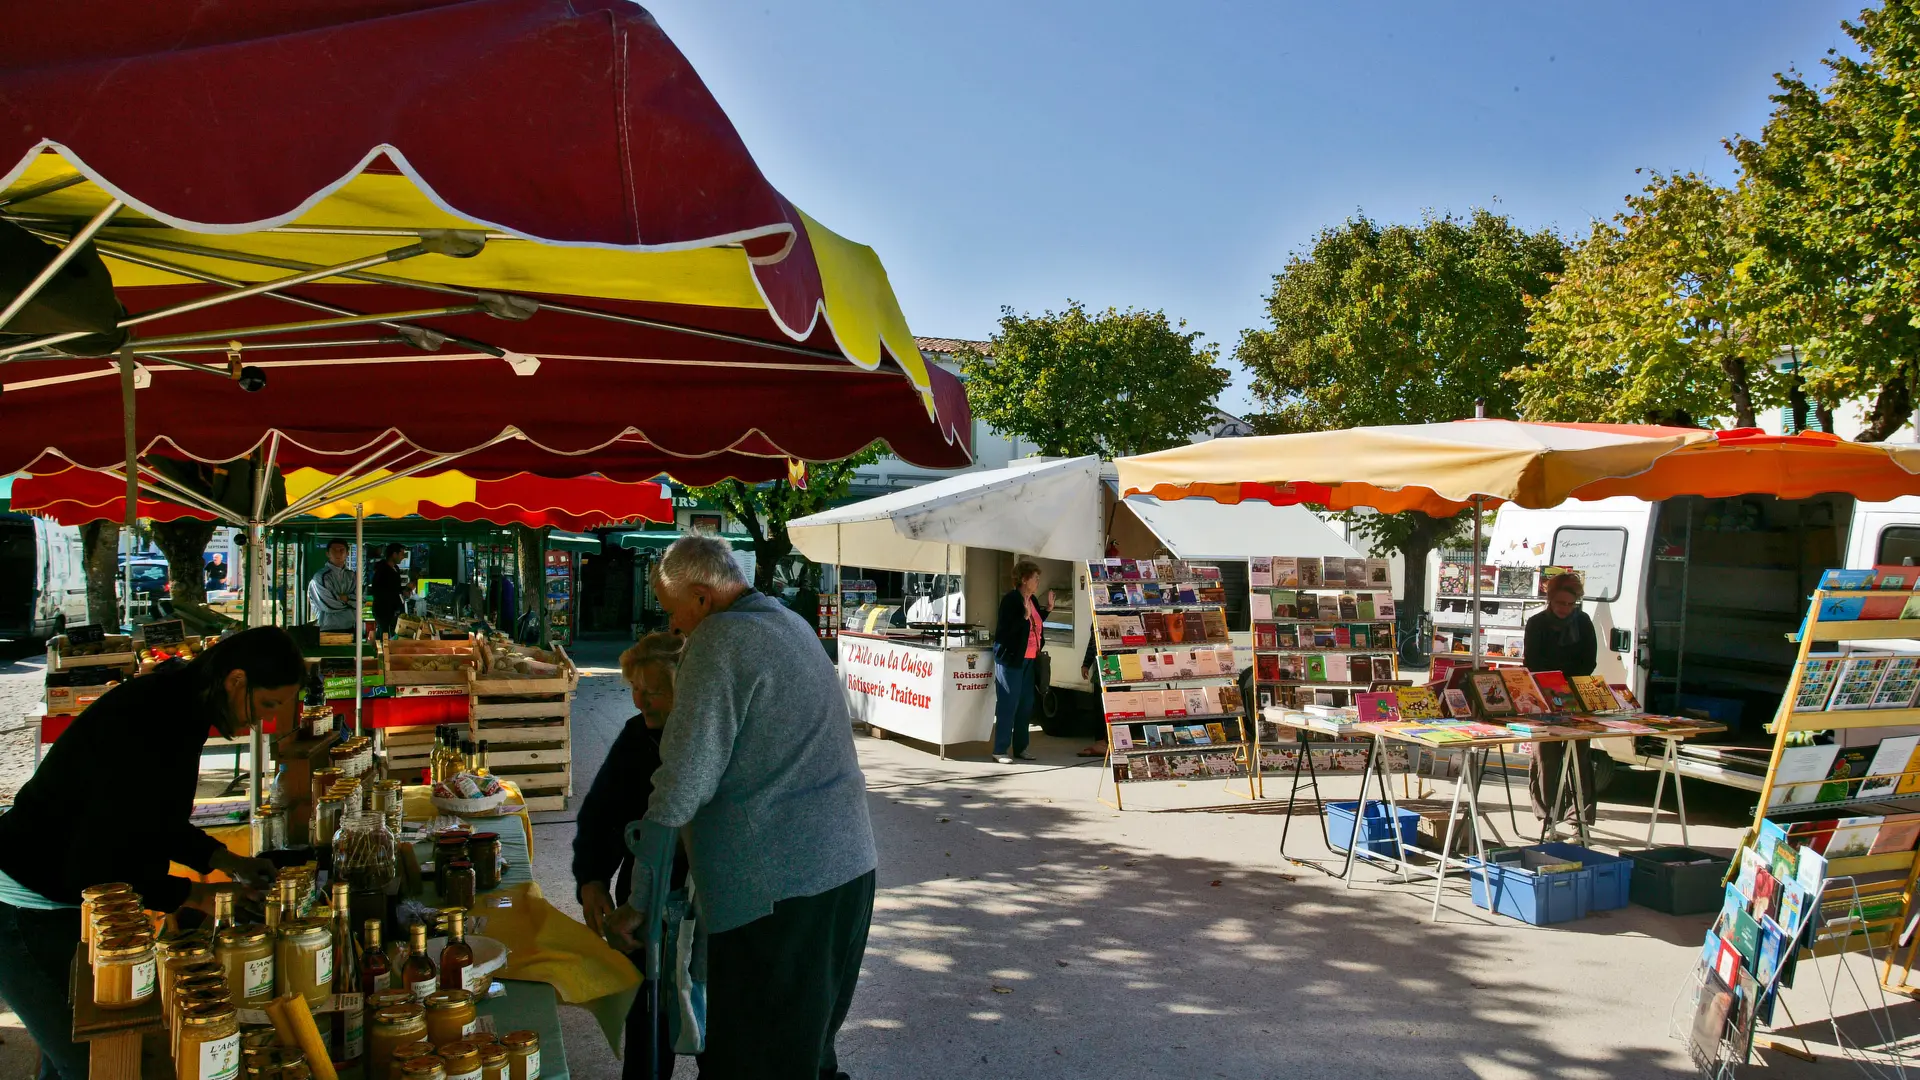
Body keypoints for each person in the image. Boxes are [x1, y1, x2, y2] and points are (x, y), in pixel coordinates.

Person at [607, 535, 875, 1079]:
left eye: (675, 611)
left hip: (778, 890)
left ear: (703, 598)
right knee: (806, 1049)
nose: (675, 627)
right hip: (845, 871)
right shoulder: (787, 621)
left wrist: (639, 900)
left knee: (752, 1058)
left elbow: (682, 780)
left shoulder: (719, 640)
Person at [0, 626, 295, 1080]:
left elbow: (150, 818)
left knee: (76, 1058)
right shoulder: (155, 718)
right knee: (90, 1061)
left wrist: (225, 861)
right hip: (29, 900)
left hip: (71, 894)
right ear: (236, 680)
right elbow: (100, 863)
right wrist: (198, 897)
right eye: (268, 704)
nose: (264, 721)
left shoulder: (183, 702)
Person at [574, 632, 689, 1079]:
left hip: (703, 907)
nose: (641, 703)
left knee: (713, 1030)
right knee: (646, 1029)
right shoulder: (635, 735)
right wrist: (592, 878)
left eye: (653, 691)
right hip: (642, 911)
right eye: (635, 690)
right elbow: (602, 812)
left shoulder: (706, 740)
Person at [1525, 572, 1600, 823]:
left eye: (1570, 604)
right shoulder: (1537, 623)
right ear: (1550, 600)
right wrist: (1552, 681)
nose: (1565, 609)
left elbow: (1589, 661)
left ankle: (1579, 816)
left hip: (1575, 694)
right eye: (1560, 603)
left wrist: (1568, 682)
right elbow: (1532, 662)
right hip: (1544, 694)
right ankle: (1548, 814)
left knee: (1579, 757)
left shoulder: (1583, 622)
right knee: (1547, 756)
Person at [991, 560, 1052, 764]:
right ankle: (1000, 750)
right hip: (1011, 660)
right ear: (1024, 579)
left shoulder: (1032, 599)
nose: (1038, 582)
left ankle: (1021, 747)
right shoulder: (1011, 600)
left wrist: (1047, 610)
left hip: (1029, 659)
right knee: (1009, 704)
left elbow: (1034, 622)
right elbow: (1005, 631)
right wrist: (1024, 617)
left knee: (1026, 704)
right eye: (1035, 578)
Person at [308, 538, 356, 632]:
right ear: (327, 554)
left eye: (342, 550)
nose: (338, 553)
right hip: (327, 629)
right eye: (334, 550)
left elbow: (362, 600)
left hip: (351, 627)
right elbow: (329, 606)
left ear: (347, 554)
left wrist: (346, 599)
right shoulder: (320, 577)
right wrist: (352, 601)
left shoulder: (352, 576)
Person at [371, 543, 408, 637]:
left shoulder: (395, 568)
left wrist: (405, 590)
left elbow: (396, 589)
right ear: (394, 554)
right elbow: (378, 591)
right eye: (402, 554)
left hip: (393, 611)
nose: (403, 557)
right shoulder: (382, 570)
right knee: (385, 636)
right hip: (384, 611)